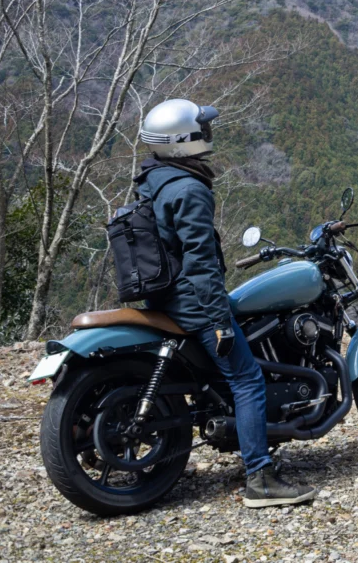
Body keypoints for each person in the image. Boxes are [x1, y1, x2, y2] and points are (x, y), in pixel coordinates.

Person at [136, 98, 317, 508]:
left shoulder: (154, 180)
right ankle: (261, 478)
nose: (208, 133)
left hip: (166, 295)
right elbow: (200, 263)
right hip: (193, 300)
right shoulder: (189, 189)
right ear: (183, 140)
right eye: (202, 128)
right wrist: (217, 319)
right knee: (247, 379)